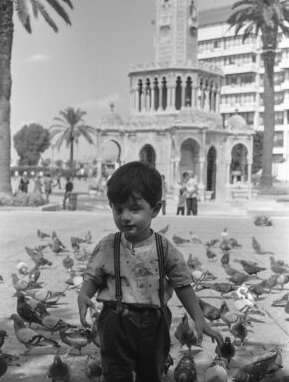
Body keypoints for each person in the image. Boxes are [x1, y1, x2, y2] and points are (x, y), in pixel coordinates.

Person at [78, 161, 222, 382]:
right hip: (115, 321)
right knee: (115, 373)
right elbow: (93, 276)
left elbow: (183, 284)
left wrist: (199, 317)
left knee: (151, 373)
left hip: (153, 325)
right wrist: (84, 294)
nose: (125, 216)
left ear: (155, 209)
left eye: (134, 209)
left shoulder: (164, 248)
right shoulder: (108, 245)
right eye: (118, 209)